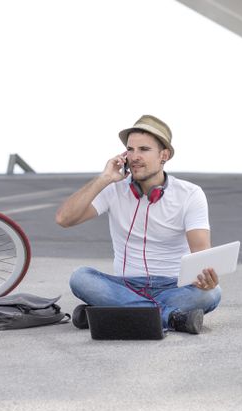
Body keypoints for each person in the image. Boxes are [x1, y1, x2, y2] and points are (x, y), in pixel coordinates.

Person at [55, 114, 221, 334]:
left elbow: (201, 251)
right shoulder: (113, 188)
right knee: (80, 278)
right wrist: (104, 178)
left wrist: (206, 278)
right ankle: (170, 317)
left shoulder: (190, 194)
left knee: (211, 294)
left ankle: (112, 312)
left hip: (173, 286)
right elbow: (64, 219)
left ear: (164, 155)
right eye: (130, 150)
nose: (135, 157)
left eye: (143, 149)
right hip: (125, 284)